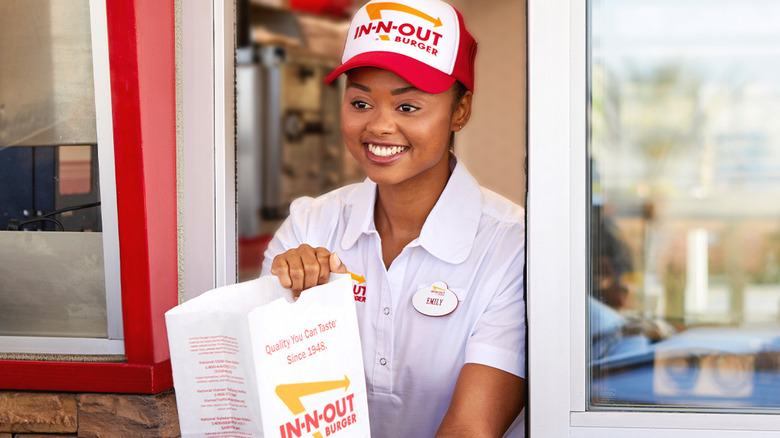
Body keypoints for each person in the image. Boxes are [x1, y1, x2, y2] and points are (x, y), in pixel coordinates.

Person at [261, 0, 526, 435]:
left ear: (460, 111)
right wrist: (281, 299)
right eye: (361, 102)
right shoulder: (310, 225)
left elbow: (471, 430)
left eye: (408, 107)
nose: (379, 126)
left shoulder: (511, 248)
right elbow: (272, 399)